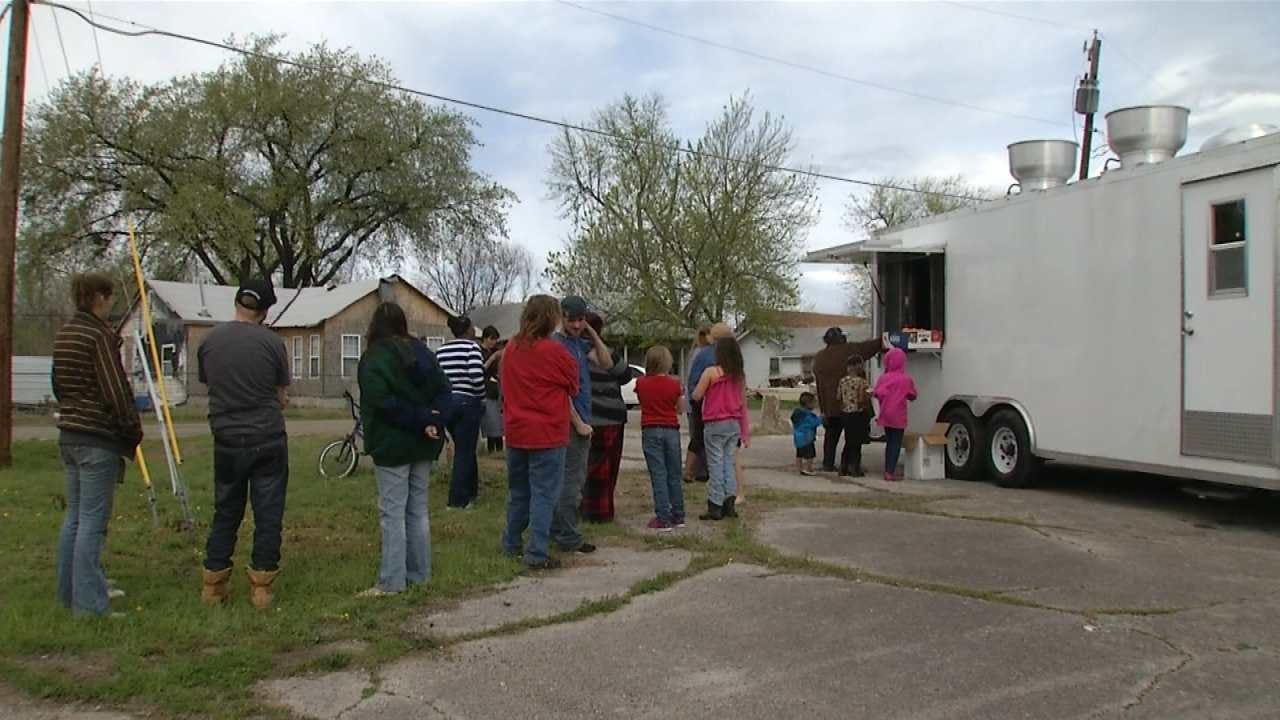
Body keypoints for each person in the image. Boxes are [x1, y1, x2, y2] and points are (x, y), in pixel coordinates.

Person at [52, 273, 143, 617]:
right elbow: (114, 390)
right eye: (109, 298)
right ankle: (90, 606)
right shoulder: (97, 336)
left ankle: (70, 591)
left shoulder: (65, 334)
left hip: (70, 433)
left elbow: (58, 383)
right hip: (96, 438)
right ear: (99, 298)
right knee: (93, 520)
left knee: (74, 517)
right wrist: (130, 430)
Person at [198, 279, 291, 609]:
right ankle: (262, 588)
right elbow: (281, 396)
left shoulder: (210, 341)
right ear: (265, 310)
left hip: (225, 438)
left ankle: (214, 584)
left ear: (237, 303)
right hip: (266, 437)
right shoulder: (273, 344)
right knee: (268, 513)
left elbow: (210, 383)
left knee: (226, 510)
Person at [356, 303, 451, 597]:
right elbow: (444, 390)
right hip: (423, 442)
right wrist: (433, 420)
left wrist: (422, 421)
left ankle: (392, 581)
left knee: (393, 513)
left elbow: (382, 403)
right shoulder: (423, 352)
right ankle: (420, 575)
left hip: (392, 443)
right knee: (418, 510)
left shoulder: (374, 358)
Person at [501, 295, 581, 569]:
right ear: (553, 318)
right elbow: (574, 384)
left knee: (519, 492)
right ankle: (536, 552)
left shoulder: (510, 348)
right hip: (547, 432)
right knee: (544, 493)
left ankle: (511, 543)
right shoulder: (555, 351)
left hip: (516, 431)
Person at [549, 296, 610, 555]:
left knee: (571, 479)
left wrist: (592, 333)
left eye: (580, 320)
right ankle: (568, 536)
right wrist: (577, 422)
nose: (576, 325)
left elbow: (606, 362)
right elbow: (560, 391)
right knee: (571, 482)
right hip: (570, 421)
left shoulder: (580, 344)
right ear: (561, 317)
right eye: (571, 320)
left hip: (582, 418)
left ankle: (558, 530)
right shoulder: (556, 345)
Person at [692, 335, 750, 521]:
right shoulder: (739, 375)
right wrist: (745, 431)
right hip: (733, 423)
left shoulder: (711, 372)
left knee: (715, 463)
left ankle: (715, 504)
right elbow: (742, 403)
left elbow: (696, 395)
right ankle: (729, 503)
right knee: (728, 462)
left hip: (714, 422)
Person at [580, 312, 632, 523]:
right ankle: (602, 511)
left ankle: (591, 509)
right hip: (612, 417)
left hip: (592, 417)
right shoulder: (605, 353)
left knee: (591, 466)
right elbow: (625, 375)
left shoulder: (577, 353)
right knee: (607, 466)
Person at [813, 327, 885, 473]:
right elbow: (874, 345)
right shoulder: (852, 349)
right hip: (853, 407)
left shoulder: (819, 358)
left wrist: (823, 410)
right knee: (853, 438)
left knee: (831, 436)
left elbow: (820, 387)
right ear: (842, 338)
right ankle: (852, 465)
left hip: (830, 405)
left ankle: (828, 463)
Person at [437, 315, 487, 509]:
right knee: (464, 452)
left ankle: (472, 491)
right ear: (468, 330)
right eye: (473, 328)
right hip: (467, 402)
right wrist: (481, 396)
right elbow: (476, 375)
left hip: (448, 403)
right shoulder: (472, 348)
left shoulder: (441, 350)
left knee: (465, 448)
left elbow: (437, 378)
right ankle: (457, 501)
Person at [635, 345, 685, 531]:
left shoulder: (641, 383)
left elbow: (642, 402)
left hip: (650, 428)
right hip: (671, 429)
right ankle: (678, 514)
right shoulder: (675, 384)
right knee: (674, 473)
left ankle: (663, 517)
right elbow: (680, 409)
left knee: (658, 474)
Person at [873, 347, 918, 482]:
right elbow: (913, 395)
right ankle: (889, 472)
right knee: (896, 443)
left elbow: (877, 393)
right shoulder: (906, 379)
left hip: (885, 413)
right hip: (898, 415)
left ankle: (888, 469)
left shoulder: (883, 378)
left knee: (889, 442)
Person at [682, 325, 713, 483]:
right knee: (698, 437)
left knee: (697, 436)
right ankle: (696, 470)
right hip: (697, 402)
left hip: (695, 401)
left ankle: (697, 470)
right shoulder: (702, 354)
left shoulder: (696, 353)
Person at [838, 356, 873, 479]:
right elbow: (864, 397)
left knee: (848, 441)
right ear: (857, 366)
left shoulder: (842, 381)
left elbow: (839, 397)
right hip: (858, 413)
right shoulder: (862, 382)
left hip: (846, 413)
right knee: (857, 443)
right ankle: (855, 467)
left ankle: (843, 466)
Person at [479, 326, 505, 454]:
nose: (493, 342)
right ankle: (491, 450)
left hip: (497, 389)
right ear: (485, 338)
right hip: (486, 389)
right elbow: (481, 370)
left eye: (495, 339)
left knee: (499, 422)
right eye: (491, 339)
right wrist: (493, 358)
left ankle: (499, 450)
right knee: (490, 421)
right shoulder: (479, 352)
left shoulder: (495, 350)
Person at [790, 392, 822, 476]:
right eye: (814, 402)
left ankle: (799, 468)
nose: (815, 404)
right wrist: (821, 418)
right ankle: (808, 468)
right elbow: (815, 423)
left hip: (798, 437)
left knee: (799, 454)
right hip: (807, 438)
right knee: (810, 455)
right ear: (809, 404)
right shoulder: (808, 415)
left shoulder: (797, 413)